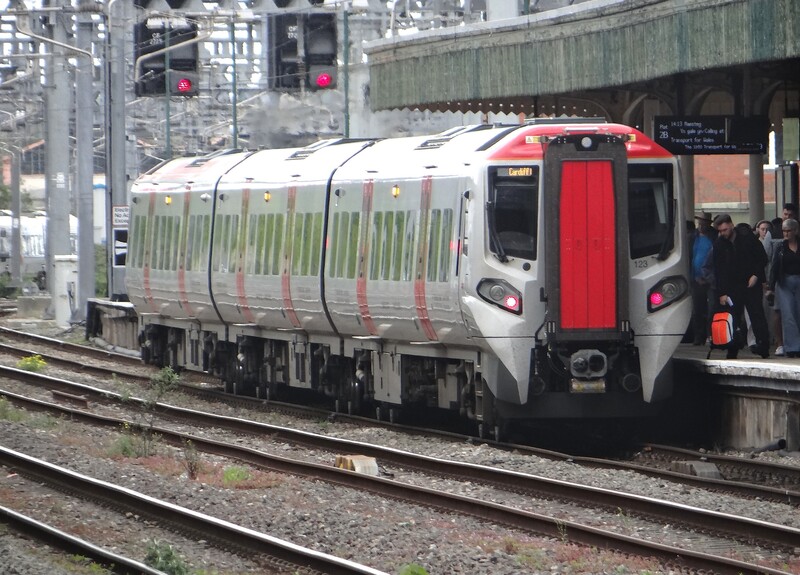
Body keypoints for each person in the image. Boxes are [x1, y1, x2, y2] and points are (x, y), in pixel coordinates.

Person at [712, 213, 770, 359]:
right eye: (720, 231)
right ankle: (732, 347)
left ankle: (763, 345)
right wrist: (722, 293)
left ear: (731, 225)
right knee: (733, 316)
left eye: (725, 230)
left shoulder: (747, 237)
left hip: (750, 282)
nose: (723, 233)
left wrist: (756, 275)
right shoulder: (719, 244)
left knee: (756, 314)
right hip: (732, 286)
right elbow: (719, 270)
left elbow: (762, 258)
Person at [767, 219, 800, 358]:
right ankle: (792, 347)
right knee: (788, 314)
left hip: (798, 280)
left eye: (789, 231)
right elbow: (774, 267)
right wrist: (771, 286)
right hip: (784, 281)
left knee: (798, 312)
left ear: (795, 231)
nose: (786, 234)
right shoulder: (780, 247)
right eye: (784, 231)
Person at [690, 212, 715, 345]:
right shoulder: (692, 237)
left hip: (711, 280)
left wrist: (709, 277)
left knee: (712, 309)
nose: (701, 226)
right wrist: (694, 276)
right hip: (696, 279)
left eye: (703, 223)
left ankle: (710, 335)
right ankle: (698, 336)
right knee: (697, 310)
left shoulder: (714, 237)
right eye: (699, 223)